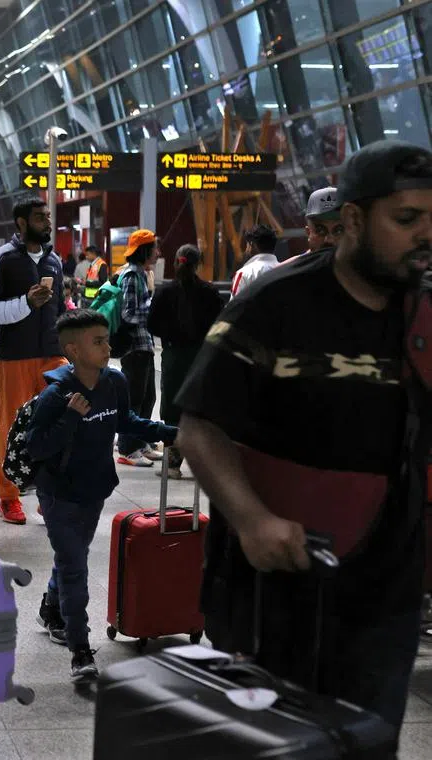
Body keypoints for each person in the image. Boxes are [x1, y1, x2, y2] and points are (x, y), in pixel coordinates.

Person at [177, 140, 432, 734]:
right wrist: (251, 519)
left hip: (383, 592)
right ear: (351, 219)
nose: (424, 234)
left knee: (363, 742)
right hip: (274, 586)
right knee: (269, 744)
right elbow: (199, 425)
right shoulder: (278, 302)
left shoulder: (422, 315)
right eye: (406, 219)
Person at [28, 309, 176, 683]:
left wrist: (169, 431)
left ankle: (50, 607)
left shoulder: (114, 382)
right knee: (75, 564)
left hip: (95, 487)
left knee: (71, 554)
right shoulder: (55, 394)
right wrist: (71, 418)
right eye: (99, 342)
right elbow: (36, 447)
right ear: (73, 350)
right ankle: (80, 650)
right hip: (59, 493)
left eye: (107, 339)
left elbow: (125, 422)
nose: (107, 346)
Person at [0, 197, 66, 525]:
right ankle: (8, 497)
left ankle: (48, 493)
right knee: (12, 428)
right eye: (40, 217)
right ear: (21, 223)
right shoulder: (2, 259)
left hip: (53, 355)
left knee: (56, 426)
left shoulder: (54, 260)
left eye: (48, 216)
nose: (47, 222)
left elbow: (59, 309)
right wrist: (25, 303)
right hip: (15, 356)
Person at [146, 244, 222, 479]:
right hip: (201, 357)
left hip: (173, 356)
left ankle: (172, 464)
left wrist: (170, 335)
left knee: (172, 407)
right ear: (198, 263)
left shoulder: (164, 292)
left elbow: (151, 324)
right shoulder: (210, 292)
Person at [114, 230, 162, 468]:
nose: (158, 253)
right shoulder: (132, 275)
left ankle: (140, 442)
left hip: (144, 345)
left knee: (147, 398)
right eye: (155, 248)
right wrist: (154, 306)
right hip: (134, 347)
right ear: (144, 250)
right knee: (133, 400)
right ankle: (126, 448)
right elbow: (129, 313)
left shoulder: (141, 274)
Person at [230, 223, 279, 298]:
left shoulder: (243, 274)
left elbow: (234, 306)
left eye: (247, 245)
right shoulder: (286, 270)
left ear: (251, 245)